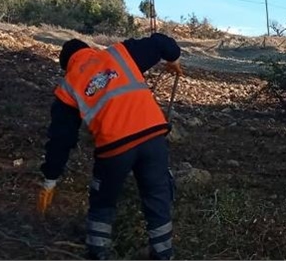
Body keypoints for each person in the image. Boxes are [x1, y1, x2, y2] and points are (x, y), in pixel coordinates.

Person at [37, 33, 184, 260]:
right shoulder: (120, 54)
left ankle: (98, 253)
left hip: (115, 148)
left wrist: (50, 178)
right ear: (88, 50)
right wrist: (173, 59)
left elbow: (60, 139)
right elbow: (162, 43)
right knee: (157, 196)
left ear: (67, 65)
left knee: (103, 201)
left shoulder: (69, 84)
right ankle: (164, 254)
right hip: (154, 138)